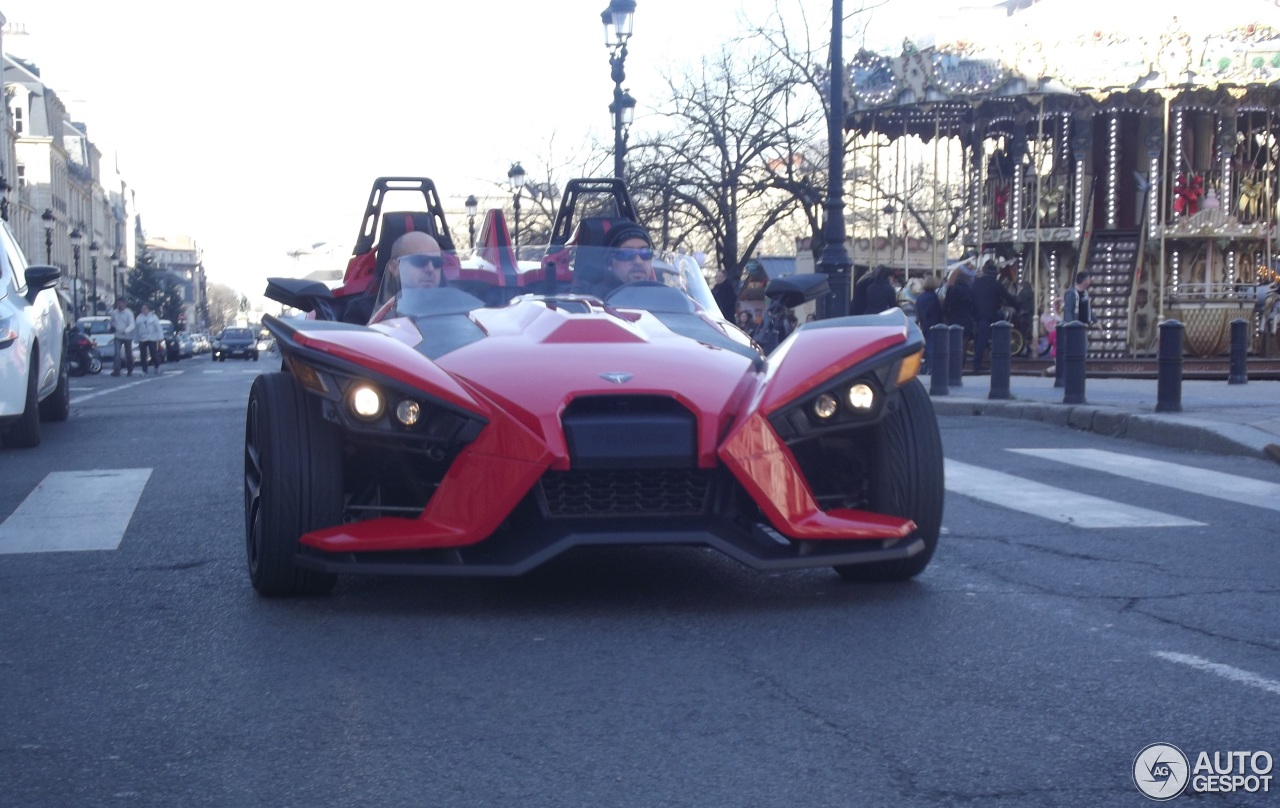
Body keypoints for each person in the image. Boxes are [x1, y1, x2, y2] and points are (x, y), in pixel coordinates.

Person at [574, 222, 655, 298]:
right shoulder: (589, 300)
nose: (638, 261)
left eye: (645, 253)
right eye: (626, 254)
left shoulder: (662, 296)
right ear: (609, 262)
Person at [971, 260, 1018, 372]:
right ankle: (978, 364)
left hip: (976, 314)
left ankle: (977, 362)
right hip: (988, 314)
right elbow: (1007, 297)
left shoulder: (977, 282)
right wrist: (1018, 306)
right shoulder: (996, 284)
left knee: (979, 338)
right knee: (986, 337)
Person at [942, 266, 976, 353]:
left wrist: (945, 315)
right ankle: (961, 363)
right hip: (966, 319)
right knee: (963, 344)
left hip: (953, 319)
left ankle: (953, 362)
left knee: (952, 343)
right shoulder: (970, 291)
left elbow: (946, 305)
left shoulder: (951, 290)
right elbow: (973, 307)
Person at [915, 275, 943, 373]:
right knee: (932, 345)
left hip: (923, 323)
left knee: (925, 345)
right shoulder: (934, 297)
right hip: (933, 322)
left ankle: (925, 365)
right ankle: (931, 366)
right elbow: (937, 311)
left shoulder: (920, 297)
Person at [108, 297, 136, 377]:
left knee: (128, 353)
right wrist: (110, 327)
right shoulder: (114, 313)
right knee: (117, 353)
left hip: (127, 336)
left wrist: (126, 330)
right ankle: (116, 370)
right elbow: (111, 322)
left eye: (121, 303)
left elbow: (132, 324)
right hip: (118, 335)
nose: (119, 305)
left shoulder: (129, 313)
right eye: (118, 303)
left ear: (125, 304)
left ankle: (130, 369)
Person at [135, 303, 164, 375]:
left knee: (153, 353)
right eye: (142, 309)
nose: (144, 310)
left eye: (145, 308)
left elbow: (158, 328)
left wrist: (160, 338)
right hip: (142, 338)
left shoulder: (154, 317)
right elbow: (136, 329)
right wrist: (136, 339)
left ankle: (157, 367)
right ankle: (144, 370)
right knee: (143, 355)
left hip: (152, 338)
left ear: (148, 309)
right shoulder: (139, 318)